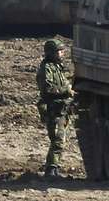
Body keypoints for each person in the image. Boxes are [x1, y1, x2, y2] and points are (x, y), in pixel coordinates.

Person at [36, 39, 74, 178]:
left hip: (62, 108)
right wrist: (66, 90)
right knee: (58, 139)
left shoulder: (57, 67)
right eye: (59, 51)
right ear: (52, 53)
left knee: (60, 140)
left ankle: (53, 168)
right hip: (53, 108)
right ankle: (51, 169)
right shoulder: (46, 68)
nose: (62, 53)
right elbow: (48, 88)